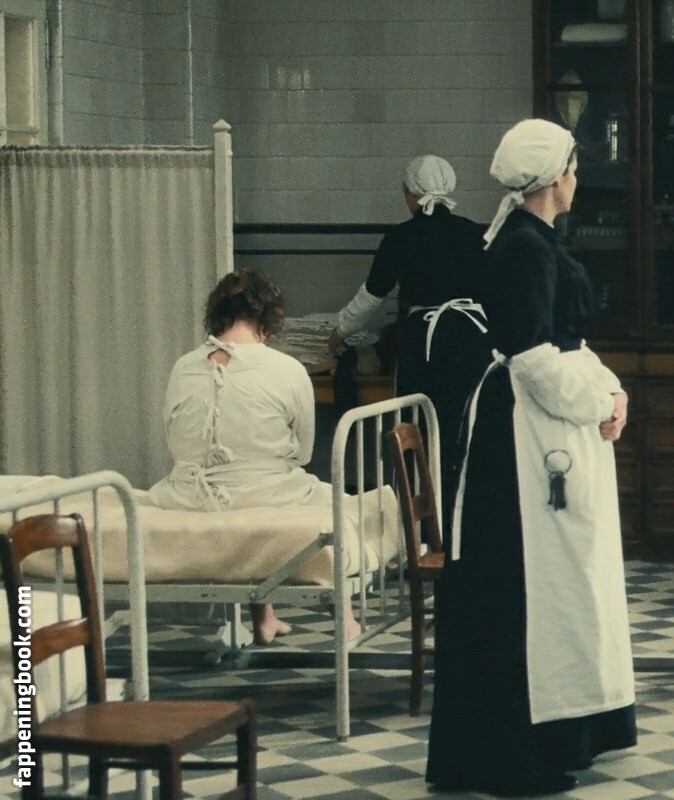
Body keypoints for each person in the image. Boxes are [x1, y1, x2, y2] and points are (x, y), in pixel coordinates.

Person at [426, 119, 634, 796]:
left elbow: (567, 343)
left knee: (563, 584)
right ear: (552, 177)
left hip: (545, 425)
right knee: (525, 589)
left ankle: (562, 733)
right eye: (573, 167)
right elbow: (536, 360)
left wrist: (612, 389)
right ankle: (517, 750)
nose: (578, 178)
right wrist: (598, 402)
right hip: (521, 437)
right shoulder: (524, 247)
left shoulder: (535, 239)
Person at [148, 269, 357, 643]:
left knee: (251, 479)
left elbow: (173, 439)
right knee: (336, 505)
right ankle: (345, 620)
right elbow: (304, 452)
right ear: (270, 317)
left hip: (187, 497)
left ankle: (265, 618)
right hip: (263, 494)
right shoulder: (288, 369)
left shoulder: (184, 366)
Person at [327, 155, 492, 478]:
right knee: (463, 429)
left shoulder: (401, 237)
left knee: (420, 429)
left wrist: (342, 329)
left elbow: (372, 295)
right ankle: (458, 505)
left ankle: (420, 502)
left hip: (425, 346)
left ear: (412, 193)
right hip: (472, 340)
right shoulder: (477, 234)